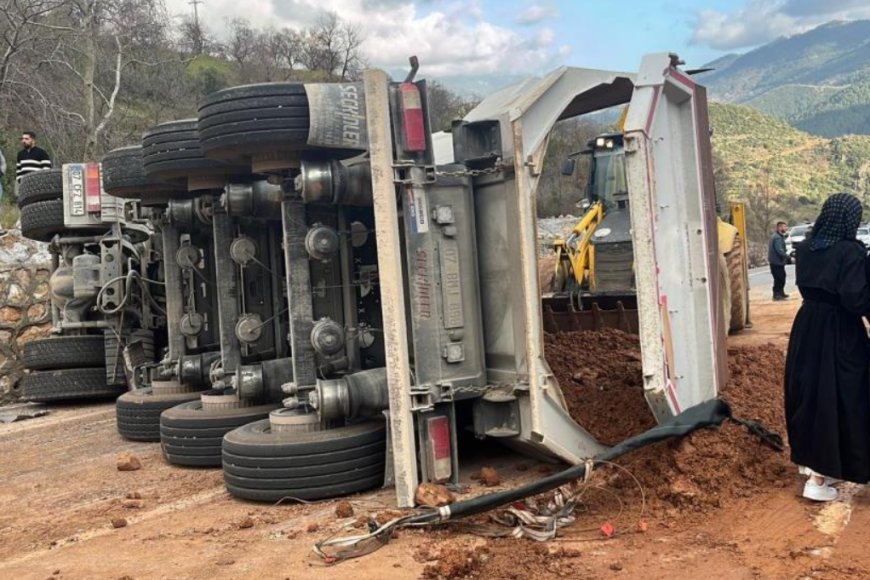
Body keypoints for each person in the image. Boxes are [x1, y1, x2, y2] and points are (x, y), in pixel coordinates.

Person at [784, 193, 870, 502]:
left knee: (811, 396)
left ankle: (816, 468)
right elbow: (855, 299)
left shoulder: (805, 248)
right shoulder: (850, 252)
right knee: (845, 396)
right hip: (840, 332)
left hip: (807, 328)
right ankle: (820, 478)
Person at [768, 220, 790, 300]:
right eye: (784, 226)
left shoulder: (777, 236)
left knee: (780, 277)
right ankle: (777, 294)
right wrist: (788, 257)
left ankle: (781, 293)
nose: (786, 228)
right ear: (779, 227)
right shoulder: (777, 238)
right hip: (776, 262)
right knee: (779, 278)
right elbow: (779, 250)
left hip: (776, 262)